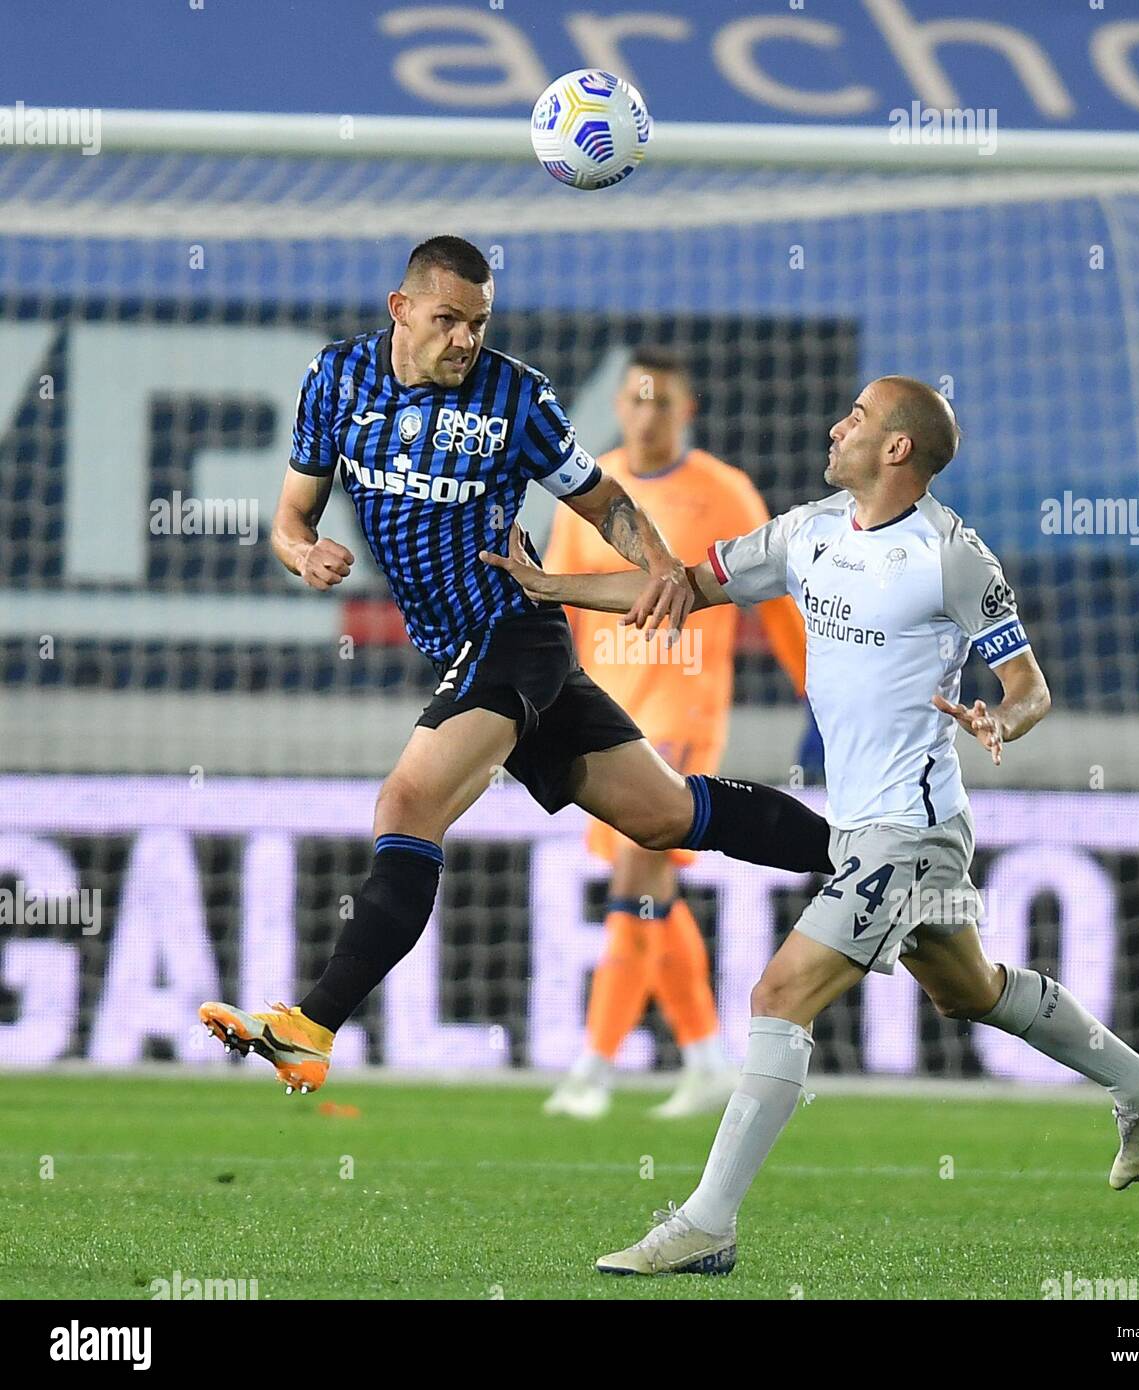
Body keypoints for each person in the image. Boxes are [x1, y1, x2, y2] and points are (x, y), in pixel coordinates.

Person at [483, 374, 1139, 1276]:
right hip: (858, 825)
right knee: (968, 993)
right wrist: (546, 583)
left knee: (780, 996)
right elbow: (680, 585)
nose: (835, 425)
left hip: (914, 830)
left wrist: (995, 721)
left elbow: (1029, 688)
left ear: (897, 448)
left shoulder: (951, 555)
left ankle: (708, 1222)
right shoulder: (807, 533)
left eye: (856, 418)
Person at [196, 236, 833, 1094]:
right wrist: (301, 553)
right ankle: (862, 860)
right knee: (664, 816)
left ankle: (312, 1025)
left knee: (408, 802)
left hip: (511, 633)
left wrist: (658, 570)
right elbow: (289, 518)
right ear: (402, 309)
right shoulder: (335, 381)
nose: (465, 339)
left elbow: (607, 503)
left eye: (479, 322)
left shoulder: (518, 396)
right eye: (449, 319)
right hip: (474, 652)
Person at [542, 347, 806, 1121]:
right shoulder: (589, 497)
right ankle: (704, 1058)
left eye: (662, 401)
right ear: (618, 408)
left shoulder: (725, 494)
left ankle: (592, 1070)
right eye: (635, 399)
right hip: (605, 717)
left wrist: (816, 692)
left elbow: (779, 602)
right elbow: (560, 610)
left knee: (637, 867)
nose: (647, 413)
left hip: (686, 718)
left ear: (686, 410)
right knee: (656, 894)